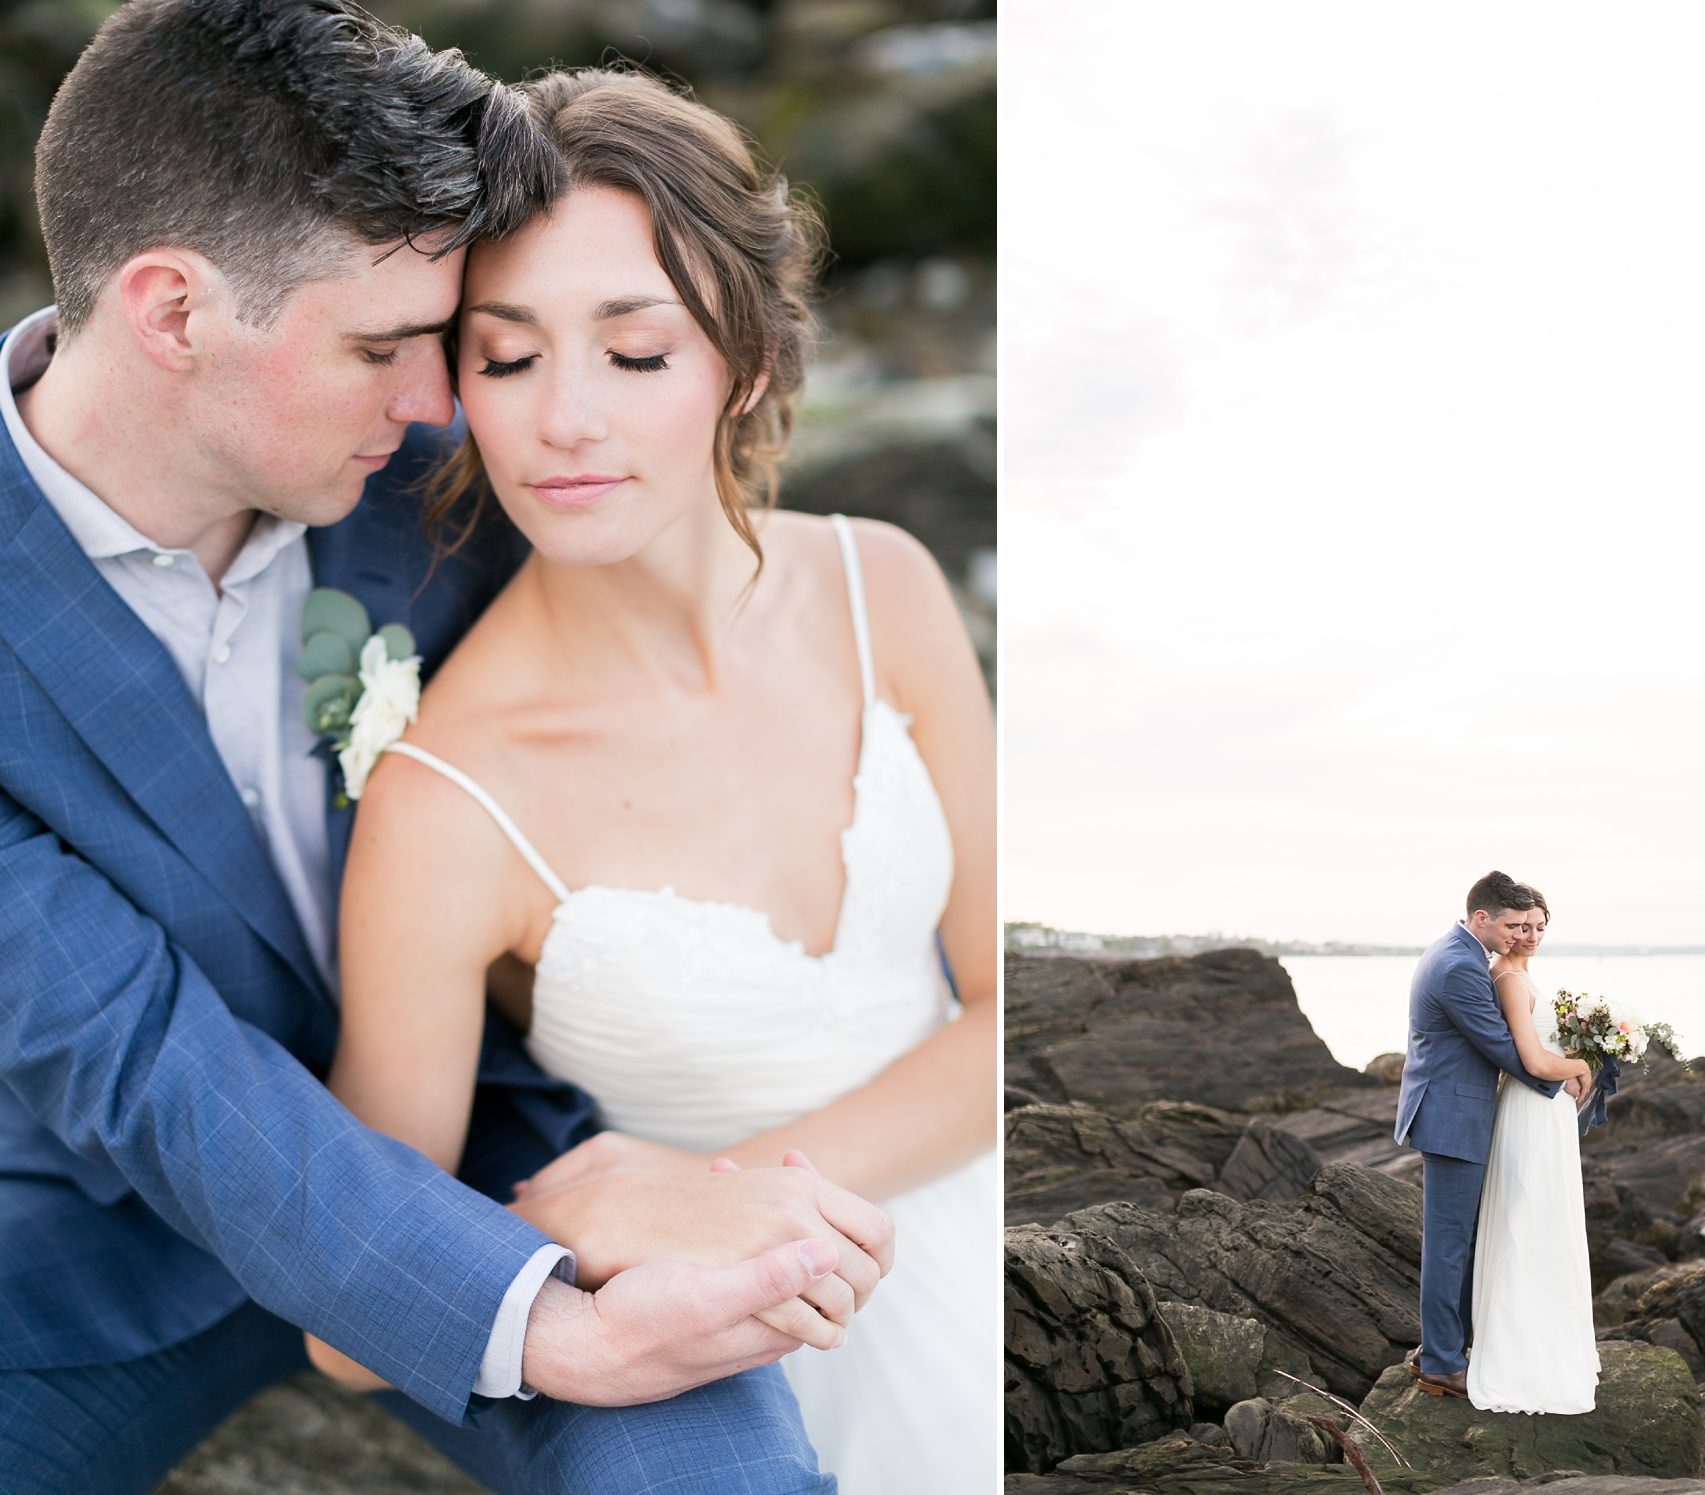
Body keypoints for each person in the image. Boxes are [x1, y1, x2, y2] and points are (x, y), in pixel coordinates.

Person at [0, 3, 890, 1490]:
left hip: (507, 1165)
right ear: (171, 311)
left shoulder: (459, 484)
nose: (441, 405)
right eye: (383, 346)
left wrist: (674, 1159)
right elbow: (142, 1062)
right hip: (81, 1265)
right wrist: (545, 1326)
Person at [309, 66, 999, 1492]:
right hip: (749, 1353)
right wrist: (587, 1233)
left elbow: (1005, 1019)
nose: (567, 419)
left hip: (986, 1232)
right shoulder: (446, 796)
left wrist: (722, 1184)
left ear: (744, 361)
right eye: (507, 359)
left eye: (637, 353)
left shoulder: (888, 584)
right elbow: (349, 1313)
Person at [1392, 870, 1585, 1401]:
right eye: (1511, 925)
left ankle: (1450, 1347)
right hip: (1452, 1118)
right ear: (1481, 917)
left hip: (1458, 1111)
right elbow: (1501, 1045)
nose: (1518, 936)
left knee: (1464, 1241)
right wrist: (1565, 1074)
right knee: (1449, 1247)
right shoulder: (1458, 966)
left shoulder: (1463, 953)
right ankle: (1439, 1362)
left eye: (1530, 926)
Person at [1464, 887, 1601, 1413]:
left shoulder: (1518, 974)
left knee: (1545, 1221)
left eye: (1540, 927)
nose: (1531, 936)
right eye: (1522, 927)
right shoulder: (1510, 979)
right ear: (1500, 924)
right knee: (1531, 1221)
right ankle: (1523, 1357)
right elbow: (1531, 1059)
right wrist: (1581, 1065)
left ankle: (1550, 1341)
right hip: (1530, 1111)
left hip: (1544, 1114)